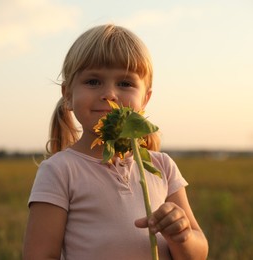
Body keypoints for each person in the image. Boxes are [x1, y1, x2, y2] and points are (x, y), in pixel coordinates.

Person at [23, 24, 208, 260]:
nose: (109, 94)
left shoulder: (162, 167)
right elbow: (39, 255)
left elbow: (199, 253)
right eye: (92, 81)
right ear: (68, 95)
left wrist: (181, 235)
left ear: (145, 98)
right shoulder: (60, 170)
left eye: (125, 84)